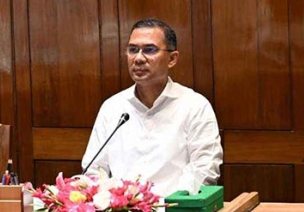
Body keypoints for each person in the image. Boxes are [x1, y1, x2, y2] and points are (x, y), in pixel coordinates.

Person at [82, 18, 222, 198]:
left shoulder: (194, 105)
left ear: (172, 59)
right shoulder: (112, 107)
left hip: (175, 210)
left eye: (149, 50)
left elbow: (205, 170)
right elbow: (93, 170)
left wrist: (174, 204)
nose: (139, 58)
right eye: (133, 50)